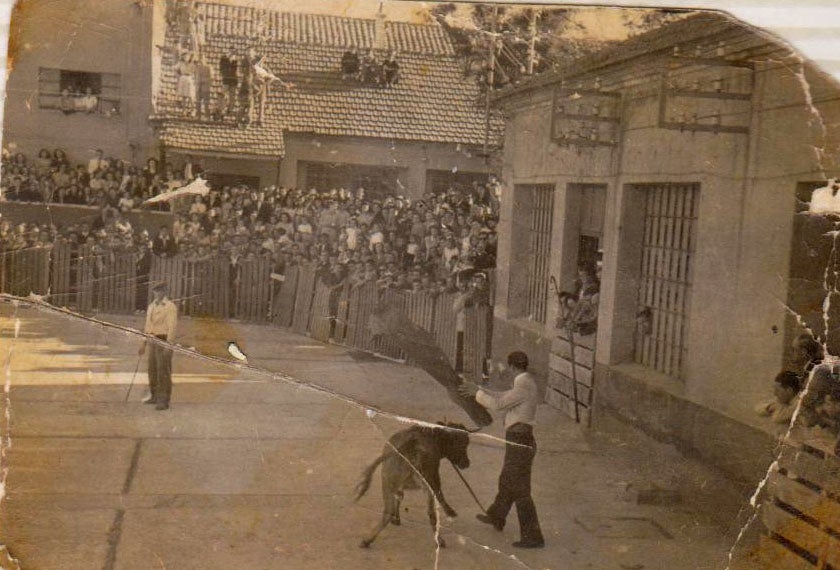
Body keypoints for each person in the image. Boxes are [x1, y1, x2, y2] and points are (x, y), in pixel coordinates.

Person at [458, 351, 545, 549]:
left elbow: (498, 404)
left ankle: (533, 536)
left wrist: (477, 394)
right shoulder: (524, 382)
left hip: (520, 441)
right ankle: (497, 516)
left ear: (512, 366)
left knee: (520, 489)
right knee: (507, 479)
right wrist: (478, 390)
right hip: (519, 439)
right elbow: (504, 396)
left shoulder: (523, 384)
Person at [138, 282, 178, 411]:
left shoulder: (170, 306)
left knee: (163, 371)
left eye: (160, 291)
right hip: (152, 339)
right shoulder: (151, 306)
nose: (157, 293)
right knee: (152, 369)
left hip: (164, 339)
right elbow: (148, 326)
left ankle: (163, 400)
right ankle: (154, 396)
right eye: (155, 291)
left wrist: (169, 345)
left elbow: (172, 327)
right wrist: (144, 343)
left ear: (165, 292)